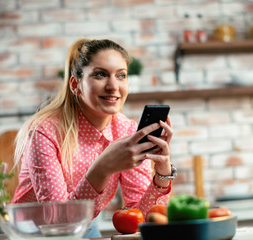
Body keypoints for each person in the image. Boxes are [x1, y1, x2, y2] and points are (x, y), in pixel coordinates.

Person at [11, 39, 175, 238]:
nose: (113, 86)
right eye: (100, 74)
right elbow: (58, 222)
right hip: (32, 233)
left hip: (87, 228)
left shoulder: (127, 130)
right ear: (75, 85)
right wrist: (103, 168)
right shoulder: (44, 131)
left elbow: (140, 218)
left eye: (121, 75)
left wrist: (162, 174)